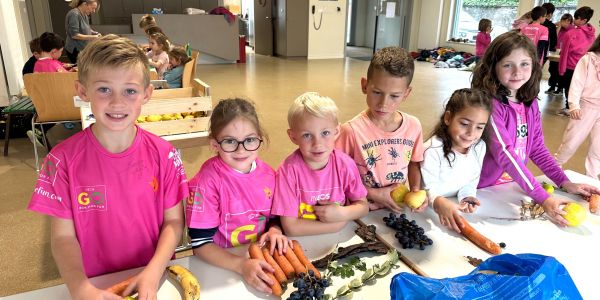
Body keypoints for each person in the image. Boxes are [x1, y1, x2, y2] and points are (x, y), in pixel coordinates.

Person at [27, 34, 188, 299]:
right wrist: (80, 288)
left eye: (130, 90)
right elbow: (62, 238)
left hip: (153, 278)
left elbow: (173, 222)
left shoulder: (165, 154)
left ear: (146, 94)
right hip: (93, 285)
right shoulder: (61, 160)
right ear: (82, 91)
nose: (117, 102)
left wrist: (154, 270)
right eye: (104, 89)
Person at [471, 31, 600, 227]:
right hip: (482, 189)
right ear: (493, 67)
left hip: (511, 185)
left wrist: (564, 181)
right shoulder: (491, 105)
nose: (517, 72)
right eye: (507, 65)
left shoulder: (529, 103)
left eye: (524, 64)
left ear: (534, 65)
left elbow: (537, 148)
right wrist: (544, 198)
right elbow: (505, 154)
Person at [186, 98, 290, 295]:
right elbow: (200, 244)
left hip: (261, 260)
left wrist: (275, 230)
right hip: (221, 264)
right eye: (230, 141)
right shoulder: (206, 183)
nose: (241, 150)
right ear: (214, 144)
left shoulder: (269, 175)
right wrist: (241, 265)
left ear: (260, 138)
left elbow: (274, 217)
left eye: (250, 140)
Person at [336, 47, 425, 213]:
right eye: (377, 92)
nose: (383, 103)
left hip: (397, 208)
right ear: (364, 86)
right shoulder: (350, 131)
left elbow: (414, 162)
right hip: (361, 210)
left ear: (406, 93)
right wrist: (372, 193)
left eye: (394, 96)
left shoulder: (414, 126)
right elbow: (336, 175)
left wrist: (415, 191)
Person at [272, 92, 368, 236]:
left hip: (338, 241)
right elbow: (291, 228)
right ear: (293, 136)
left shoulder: (345, 164)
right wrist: (338, 224)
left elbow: (363, 206)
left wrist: (342, 213)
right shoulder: (288, 171)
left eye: (325, 133)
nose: (317, 144)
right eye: (307, 135)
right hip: (303, 243)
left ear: (336, 131)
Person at [421, 88, 491, 233]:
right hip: (427, 212)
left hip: (454, 207)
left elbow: (471, 180)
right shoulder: (432, 149)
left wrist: (467, 196)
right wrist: (438, 202)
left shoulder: (479, 147)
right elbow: (424, 189)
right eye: (464, 124)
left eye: (479, 127)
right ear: (448, 118)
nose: (471, 133)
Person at [555, 34, 600, 180]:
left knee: (597, 149)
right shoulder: (589, 59)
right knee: (571, 142)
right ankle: (555, 170)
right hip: (586, 107)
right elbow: (577, 83)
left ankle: (592, 179)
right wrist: (574, 105)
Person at [558, 6, 595, 116]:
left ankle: (569, 108)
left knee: (568, 86)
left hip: (571, 66)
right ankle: (574, 107)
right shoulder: (592, 34)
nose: (574, 20)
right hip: (585, 66)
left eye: (577, 18)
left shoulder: (570, 33)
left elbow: (564, 53)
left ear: (584, 20)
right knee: (579, 87)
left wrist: (561, 69)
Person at [547, 13, 573, 96]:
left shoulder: (572, 30)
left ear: (569, 21)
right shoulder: (559, 28)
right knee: (552, 69)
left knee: (560, 71)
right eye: (562, 21)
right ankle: (552, 86)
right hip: (555, 51)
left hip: (564, 53)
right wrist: (559, 27)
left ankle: (560, 88)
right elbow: (555, 37)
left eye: (564, 21)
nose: (562, 23)